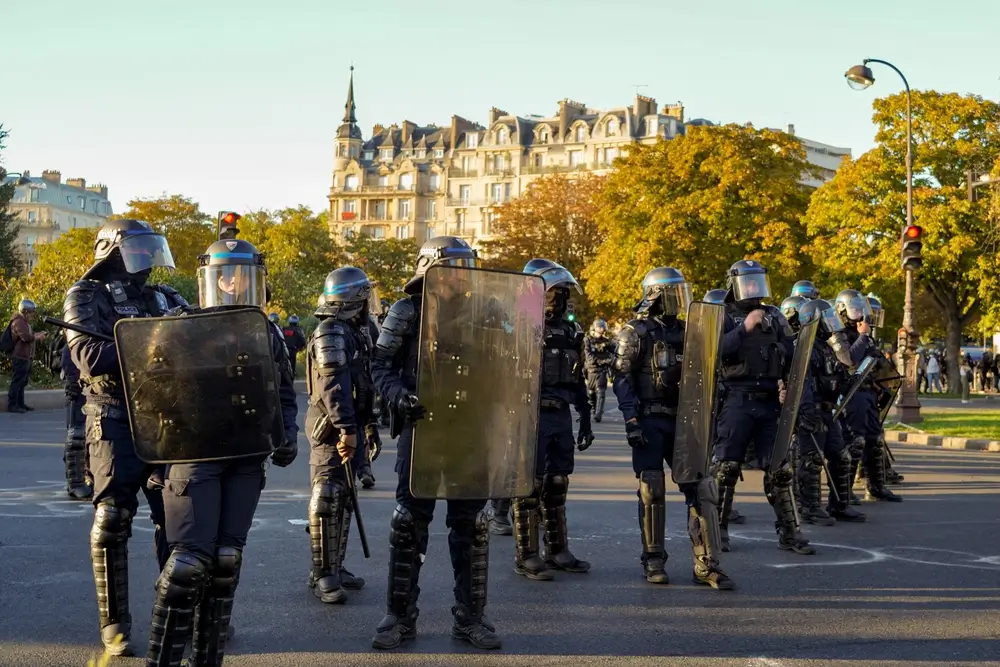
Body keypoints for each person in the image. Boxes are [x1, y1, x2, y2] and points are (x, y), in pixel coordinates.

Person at [145, 237, 299, 666]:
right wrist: (161, 445)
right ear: (210, 280)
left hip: (247, 455)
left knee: (226, 561)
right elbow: (148, 391)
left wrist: (287, 432)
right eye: (225, 274)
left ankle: (208, 658)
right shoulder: (180, 324)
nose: (234, 282)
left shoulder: (263, 327)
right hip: (195, 453)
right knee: (187, 565)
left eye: (244, 274)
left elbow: (283, 389)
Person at [62, 219, 187, 655]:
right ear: (113, 251)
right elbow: (90, 358)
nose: (149, 259)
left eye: (152, 250)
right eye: (140, 250)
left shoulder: (165, 296)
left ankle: (176, 615)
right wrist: (159, 339)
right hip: (113, 416)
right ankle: (114, 623)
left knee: (177, 520)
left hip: (166, 417)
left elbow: (197, 343)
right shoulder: (84, 296)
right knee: (113, 518)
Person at [370, 236, 501, 650]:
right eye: (454, 267)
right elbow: (379, 366)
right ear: (430, 270)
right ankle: (399, 616)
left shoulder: (487, 312)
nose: (462, 275)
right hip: (422, 428)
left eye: (466, 267)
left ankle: (470, 618)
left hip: (470, 430)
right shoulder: (406, 312)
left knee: (473, 526)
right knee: (408, 523)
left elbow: (507, 365)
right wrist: (398, 397)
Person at [614, 267, 733, 589]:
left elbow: (709, 374)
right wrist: (631, 419)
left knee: (701, 489)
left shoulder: (691, 331)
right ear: (655, 296)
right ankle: (653, 560)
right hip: (651, 418)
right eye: (673, 294)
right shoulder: (635, 332)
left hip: (685, 420)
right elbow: (622, 379)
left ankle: (706, 564)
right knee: (651, 489)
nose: (679, 301)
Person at [712, 260, 812, 555]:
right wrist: (744, 328)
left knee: (780, 470)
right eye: (749, 282)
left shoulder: (775, 316)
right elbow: (715, 350)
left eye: (758, 282)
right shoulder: (725, 316)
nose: (754, 288)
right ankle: (718, 529)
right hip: (737, 398)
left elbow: (793, 356)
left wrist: (789, 390)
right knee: (727, 468)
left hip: (769, 400)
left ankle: (790, 532)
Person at [511, 259, 593, 582]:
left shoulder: (571, 331)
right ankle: (527, 555)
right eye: (552, 294)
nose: (558, 300)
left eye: (561, 294)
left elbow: (579, 378)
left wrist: (585, 417)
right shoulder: (519, 326)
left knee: (557, 483)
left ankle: (557, 550)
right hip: (529, 413)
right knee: (530, 486)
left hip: (560, 413)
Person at [304, 266, 375, 605]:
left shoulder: (353, 332)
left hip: (349, 425)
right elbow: (333, 387)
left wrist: (366, 425)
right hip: (331, 428)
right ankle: (323, 574)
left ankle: (337, 565)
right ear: (354, 300)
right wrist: (347, 428)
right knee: (327, 498)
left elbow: (365, 383)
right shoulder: (329, 332)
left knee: (344, 498)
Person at [794, 299, 867, 525]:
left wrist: (851, 380)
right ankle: (809, 507)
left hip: (828, 410)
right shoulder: (805, 348)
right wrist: (806, 413)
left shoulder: (827, 348)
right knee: (811, 461)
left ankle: (839, 504)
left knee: (840, 456)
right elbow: (802, 383)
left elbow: (835, 378)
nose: (832, 323)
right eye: (827, 319)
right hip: (812, 410)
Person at [835, 289, 901, 503]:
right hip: (850, 394)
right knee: (855, 440)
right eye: (855, 310)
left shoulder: (864, 336)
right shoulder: (838, 334)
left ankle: (876, 485)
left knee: (875, 439)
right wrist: (863, 336)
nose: (860, 315)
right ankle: (845, 491)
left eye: (861, 310)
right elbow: (848, 360)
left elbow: (878, 363)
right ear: (842, 311)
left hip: (868, 392)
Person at [61, 334, 92, 499]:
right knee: (76, 436)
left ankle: (89, 478)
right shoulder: (74, 339)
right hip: (79, 392)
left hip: (95, 392)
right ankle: (75, 483)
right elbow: (68, 357)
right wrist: (74, 382)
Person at [6, 299, 47, 412]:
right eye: (31, 312)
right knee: (17, 380)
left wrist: (38, 334)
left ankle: (20, 404)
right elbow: (25, 337)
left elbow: (30, 335)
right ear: (25, 311)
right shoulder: (18, 322)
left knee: (22, 381)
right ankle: (12, 405)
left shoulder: (24, 322)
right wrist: (37, 337)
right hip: (19, 356)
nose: (32, 315)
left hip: (25, 356)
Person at [584, 318, 616, 422]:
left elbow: (615, 352)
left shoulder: (606, 341)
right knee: (591, 393)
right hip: (591, 370)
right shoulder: (588, 340)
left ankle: (598, 414)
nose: (601, 329)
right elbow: (588, 356)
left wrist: (611, 346)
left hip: (602, 370)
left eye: (602, 327)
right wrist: (601, 360)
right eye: (599, 327)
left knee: (601, 391)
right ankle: (593, 409)